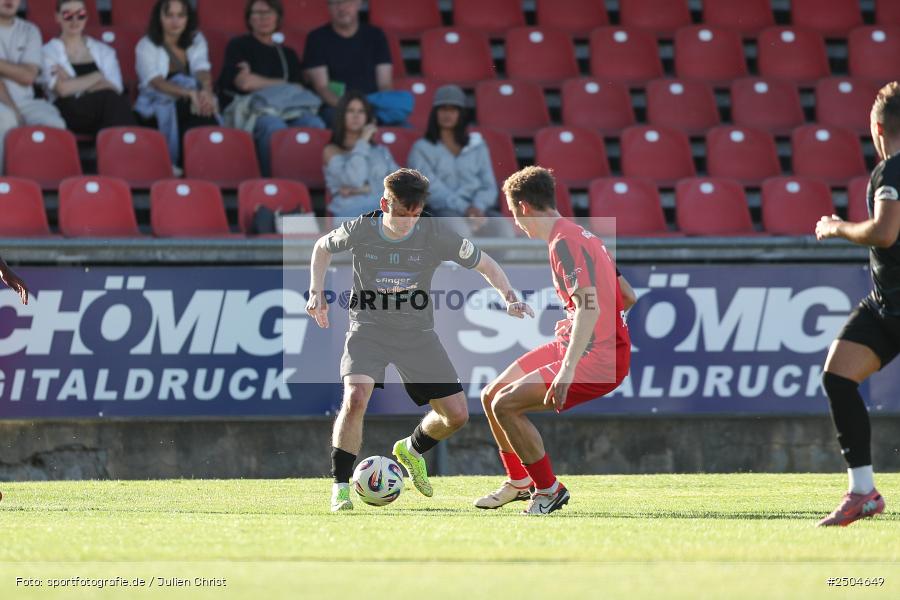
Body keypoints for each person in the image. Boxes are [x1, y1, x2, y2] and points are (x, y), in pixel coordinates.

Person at [306, 168, 533, 512]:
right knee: (355, 398)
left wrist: (509, 296)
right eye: (400, 214)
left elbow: (485, 263)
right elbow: (322, 247)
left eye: (414, 215)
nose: (407, 223)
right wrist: (315, 292)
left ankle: (409, 450)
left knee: (456, 416)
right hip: (368, 328)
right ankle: (341, 488)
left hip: (416, 334)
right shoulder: (362, 228)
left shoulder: (435, 233)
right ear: (385, 204)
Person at [475, 166, 635, 515]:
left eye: (515, 215)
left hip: (596, 357)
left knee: (506, 405)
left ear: (524, 207)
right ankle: (519, 482)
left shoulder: (564, 243)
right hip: (579, 344)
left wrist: (568, 369)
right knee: (491, 396)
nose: (517, 224)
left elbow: (588, 307)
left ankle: (547, 490)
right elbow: (628, 295)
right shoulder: (584, 235)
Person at [812, 81, 900, 526]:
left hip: (894, 305)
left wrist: (837, 227)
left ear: (878, 127)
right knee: (838, 375)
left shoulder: (892, 171)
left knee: (838, 378)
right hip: (887, 305)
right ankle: (863, 492)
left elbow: (884, 233)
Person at [218, 0, 325, 176]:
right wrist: (282, 83)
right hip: (255, 110)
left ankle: (311, 179)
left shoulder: (287, 54)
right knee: (273, 126)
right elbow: (245, 83)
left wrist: (258, 80)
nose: (263, 18)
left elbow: (298, 86)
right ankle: (276, 180)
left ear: (277, 18)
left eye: (268, 13)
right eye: (257, 13)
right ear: (249, 18)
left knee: (315, 124)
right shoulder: (238, 46)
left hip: (288, 109)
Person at [408, 84, 514, 239]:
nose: (447, 114)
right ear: (435, 113)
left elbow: (488, 185)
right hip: (442, 210)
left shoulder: (478, 146)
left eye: (453, 109)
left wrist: (478, 208)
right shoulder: (421, 148)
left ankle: (489, 264)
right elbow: (430, 189)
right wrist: (465, 209)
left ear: (461, 113)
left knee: (504, 230)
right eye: (443, 109)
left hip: (479, 210)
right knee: (460, 232)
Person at [135, 0, 219, 167]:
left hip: (193, 97)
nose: (175, 22)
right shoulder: (146, 45)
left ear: (188, 18)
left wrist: (205, 92)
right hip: (157, 102)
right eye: (169, 15)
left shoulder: (196, 39)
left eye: (181, 16)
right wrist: (190, 94)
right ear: (159, 17)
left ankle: (201, 165)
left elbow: (202, 69)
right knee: (192, 109)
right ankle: (193, 165)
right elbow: (156, 82)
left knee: (204, 106)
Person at [41, 0, 136, 136]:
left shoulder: (104, 51)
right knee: (111, 101)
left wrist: (73, 82)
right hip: (66, 112)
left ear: (87, 16)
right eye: (67, 15)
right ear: (57, 17)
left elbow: (115, 87)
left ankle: (121, 148)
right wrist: (98, 77)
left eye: (80, 15)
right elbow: (62, 90)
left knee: (112, 101)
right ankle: (130, 146)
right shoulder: (48, 51)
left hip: (102, 112)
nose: (75, 20)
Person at [302, 0, 392, 126]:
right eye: (335, 3)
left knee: (404, 130)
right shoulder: (317, 38)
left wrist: (373, 108)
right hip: (336, 107)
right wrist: (353, 110)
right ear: (328, 7)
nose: (341, 8)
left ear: (359, 3)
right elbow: (322, 88)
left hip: (372, 105)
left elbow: (385, 84)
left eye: (347, 2)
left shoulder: (376, 36)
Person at [0, 0, 66, 171]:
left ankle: (43, 184)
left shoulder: (29, 30)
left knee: (55, 124)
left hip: (26, 102)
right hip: (3, 104)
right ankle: (5, 184)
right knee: (5, 119)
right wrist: (13, 110)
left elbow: (29, 76)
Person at [323, 91, 398, 220]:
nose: (356, 116)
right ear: (342, 115)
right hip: (350, 213)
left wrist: (363, 190)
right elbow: (354, 180)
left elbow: (400, 183)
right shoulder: (331, 150)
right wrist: (362, 141)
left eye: (361, 111)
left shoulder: (380, 151)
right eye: (350, 111)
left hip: (383, 210)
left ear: (367, 117)